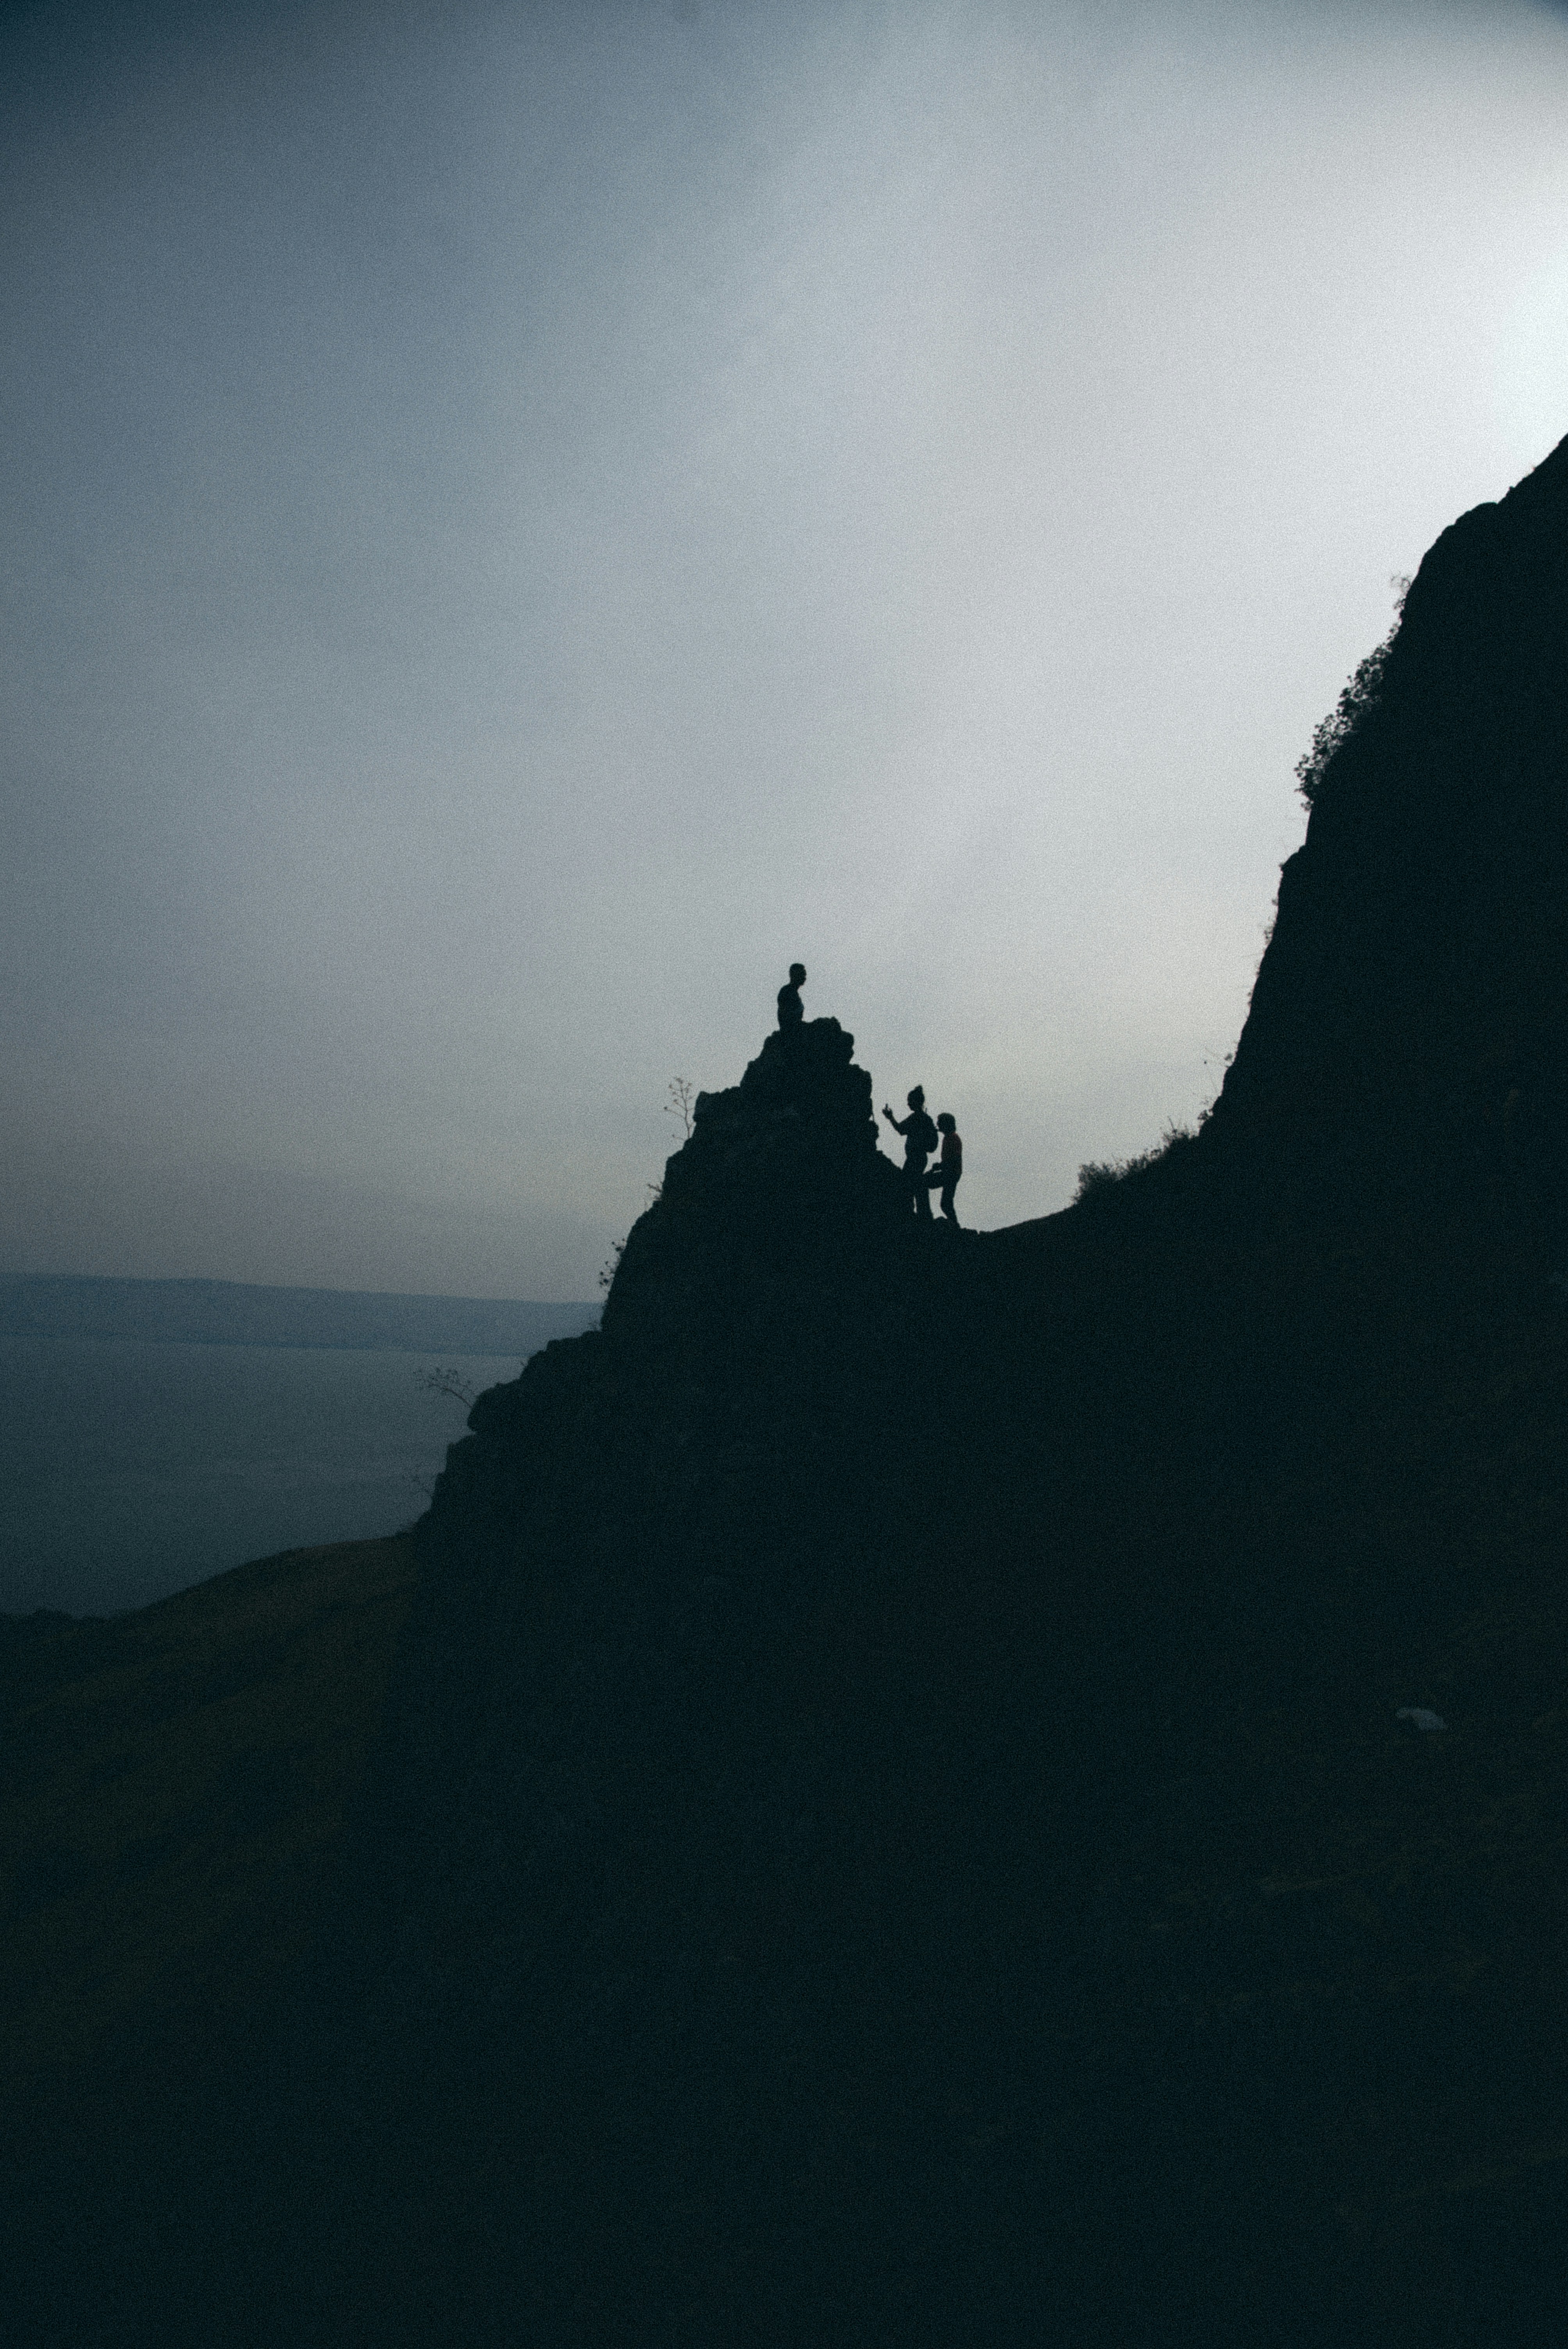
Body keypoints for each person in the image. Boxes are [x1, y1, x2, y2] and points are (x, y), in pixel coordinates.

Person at [882, 1085, 938, 1218]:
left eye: (910, 1101)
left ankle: (914, 1215)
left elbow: (901, 1129)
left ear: (916, 1102)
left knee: (907, 1186)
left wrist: (891, 1117)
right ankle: (923, 1215)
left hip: (915, 1158)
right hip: (920, 1158)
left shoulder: (916, 1118)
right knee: (917, 1185)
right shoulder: (925, 1119)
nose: (908, 1104)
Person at [925, 1112, 963, 1224]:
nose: (938, 1125)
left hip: (951, 1174)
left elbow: (954, 1159)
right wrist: (941, 1166)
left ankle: (954, 1226)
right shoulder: (948, 1138)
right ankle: (955, 1225)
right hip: (951, 1173)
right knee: (946, 1203)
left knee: (924, 1183)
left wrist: (941, 1166)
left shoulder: (953, 1138)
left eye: (940, 1123)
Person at [777, 963, 807, 1029]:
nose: (805, 978)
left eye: (805, 975)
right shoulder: (787, 992)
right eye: (802, 975)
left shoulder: (794, 993)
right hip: (790, 1030)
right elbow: (787, 1015)